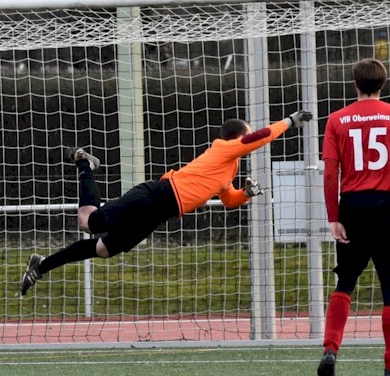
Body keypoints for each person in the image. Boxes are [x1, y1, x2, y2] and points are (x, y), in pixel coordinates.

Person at [20, 110, 314, 296]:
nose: (249, 141)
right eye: (246, 136)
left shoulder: (231, 167)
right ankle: (84, 164)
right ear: (236, 137)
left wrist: (247, 194)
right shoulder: (224, 148)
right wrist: (288, 122)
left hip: (157, 214)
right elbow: (260, 138)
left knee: (104, 249)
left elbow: (228, 200)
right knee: (88, 223)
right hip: (156, 195)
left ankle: (42, 265)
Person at [318, 58, 390, 376]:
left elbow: (330, 173)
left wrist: (333, 217)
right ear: (383, 83)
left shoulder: (337, 119)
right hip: (389, 205)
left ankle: (330, 349)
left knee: (345, 281)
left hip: (353, 206)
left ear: (355, 84)